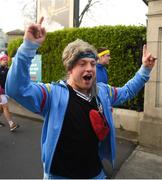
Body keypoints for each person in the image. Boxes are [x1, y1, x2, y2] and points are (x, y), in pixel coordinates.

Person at [5, 17, 156, 179]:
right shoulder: (52, 94)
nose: (89, 68)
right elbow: (16, 89)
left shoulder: (103, 93)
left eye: (92, 63)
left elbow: (127, 91)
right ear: (70, 69)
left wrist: (145, 70)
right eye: (82, 63)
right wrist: (28, 46)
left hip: (95, 175)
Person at [0, 53, 19, 131]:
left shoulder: (7, 69)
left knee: (1, 108)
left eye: (6, 60)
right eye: (3, 60)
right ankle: (11, 124)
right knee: (5, 107)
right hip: (0, 93)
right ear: (0, 61)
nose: (5, 61)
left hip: (5, 92)